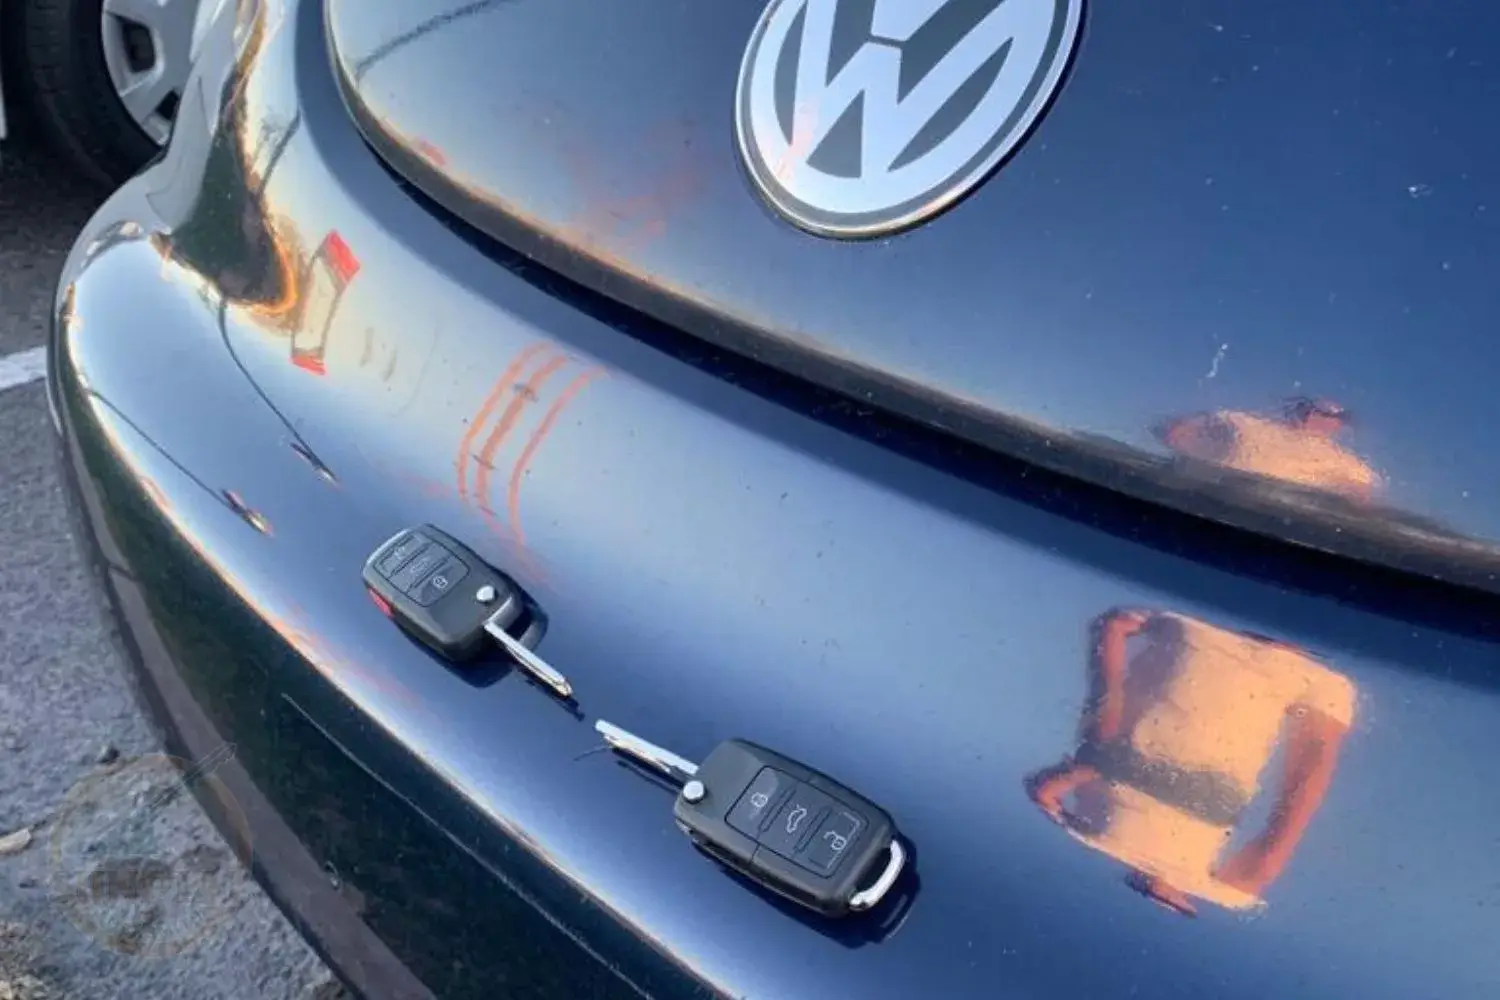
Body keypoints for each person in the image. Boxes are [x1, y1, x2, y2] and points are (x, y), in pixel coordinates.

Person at [1026, 608, 1356, 915]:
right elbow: (1313, 761)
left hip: (1140, 798)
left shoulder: (1319, 679)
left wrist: (1098, 738)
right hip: (1158, 805)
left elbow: (1114, 627)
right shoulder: (1321, 679)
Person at [1159, 398, 1380, 503]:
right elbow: (1181, 431)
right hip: (1218, 501)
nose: (1321, 418)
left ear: (1340, 425)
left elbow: (1360, 502)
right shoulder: (1250, 425)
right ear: (1305, 410)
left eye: (1334, 417)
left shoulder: (1347, 463)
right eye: (1317, 411)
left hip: (1285, 522)